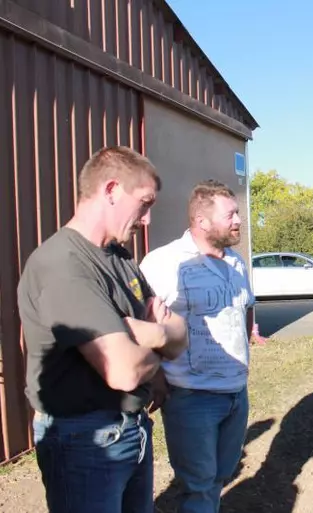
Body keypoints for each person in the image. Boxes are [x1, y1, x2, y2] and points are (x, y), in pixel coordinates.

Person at [17, 146, 188, 513]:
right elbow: (123, 371)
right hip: (85, 441)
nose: (146, 220)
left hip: (131, 429)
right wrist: (160, 336)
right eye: (144, 203)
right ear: (111, 190)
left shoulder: (119, 258)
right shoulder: (62, 264)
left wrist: (151, 334)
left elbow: (179, 336)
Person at [139, 180, 255, 513]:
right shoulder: (164, 262)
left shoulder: (236, 262)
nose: (238, 221)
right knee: (200, 486)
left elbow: (247, 308)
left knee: (218, 478)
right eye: (230, 214)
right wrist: (156, 376)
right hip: (191, 396)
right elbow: (143, 324)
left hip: (236, 392)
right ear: (202, 221)